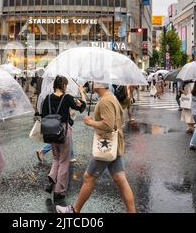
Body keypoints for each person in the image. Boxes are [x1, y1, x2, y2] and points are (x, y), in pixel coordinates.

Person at [56, 83, 136, 214]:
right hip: (114, 145)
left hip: (106, 146)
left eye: (93, 81)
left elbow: (108, 125)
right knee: (120, 179)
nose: (90, 83)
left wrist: (91, 122)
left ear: (99, 83)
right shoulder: (110, 97)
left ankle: (74, 210)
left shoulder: (106, 101)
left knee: (89, 177)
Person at [40, 76, 86, 201]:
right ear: (64, 85)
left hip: (50, 131)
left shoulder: (47, 98)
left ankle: (53, 176)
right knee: (64, 160)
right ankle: (59, 191)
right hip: (63, 131)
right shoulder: (67, 98)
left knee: (56, 157)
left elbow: (43, 115)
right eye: (66, 85)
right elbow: (82, 107)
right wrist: (81, 92)